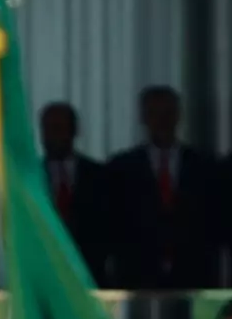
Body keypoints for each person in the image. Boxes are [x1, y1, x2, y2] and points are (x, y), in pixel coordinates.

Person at [113, 86, 225, 291]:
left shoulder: (205, 166)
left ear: (178, 117)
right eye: (154, 114)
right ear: (144, 118)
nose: (161, 121)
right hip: (138, 279)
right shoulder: (121, 168)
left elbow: (214, 224)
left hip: (194, 277)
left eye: (167, 113)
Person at [33, 101, 147, 287]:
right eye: (48, 128)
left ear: (74, 130)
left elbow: (115, 230)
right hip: (43, 282)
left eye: (59, 127)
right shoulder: (29, 180)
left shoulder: (102, 177)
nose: (53, 135)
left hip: (92, 279)